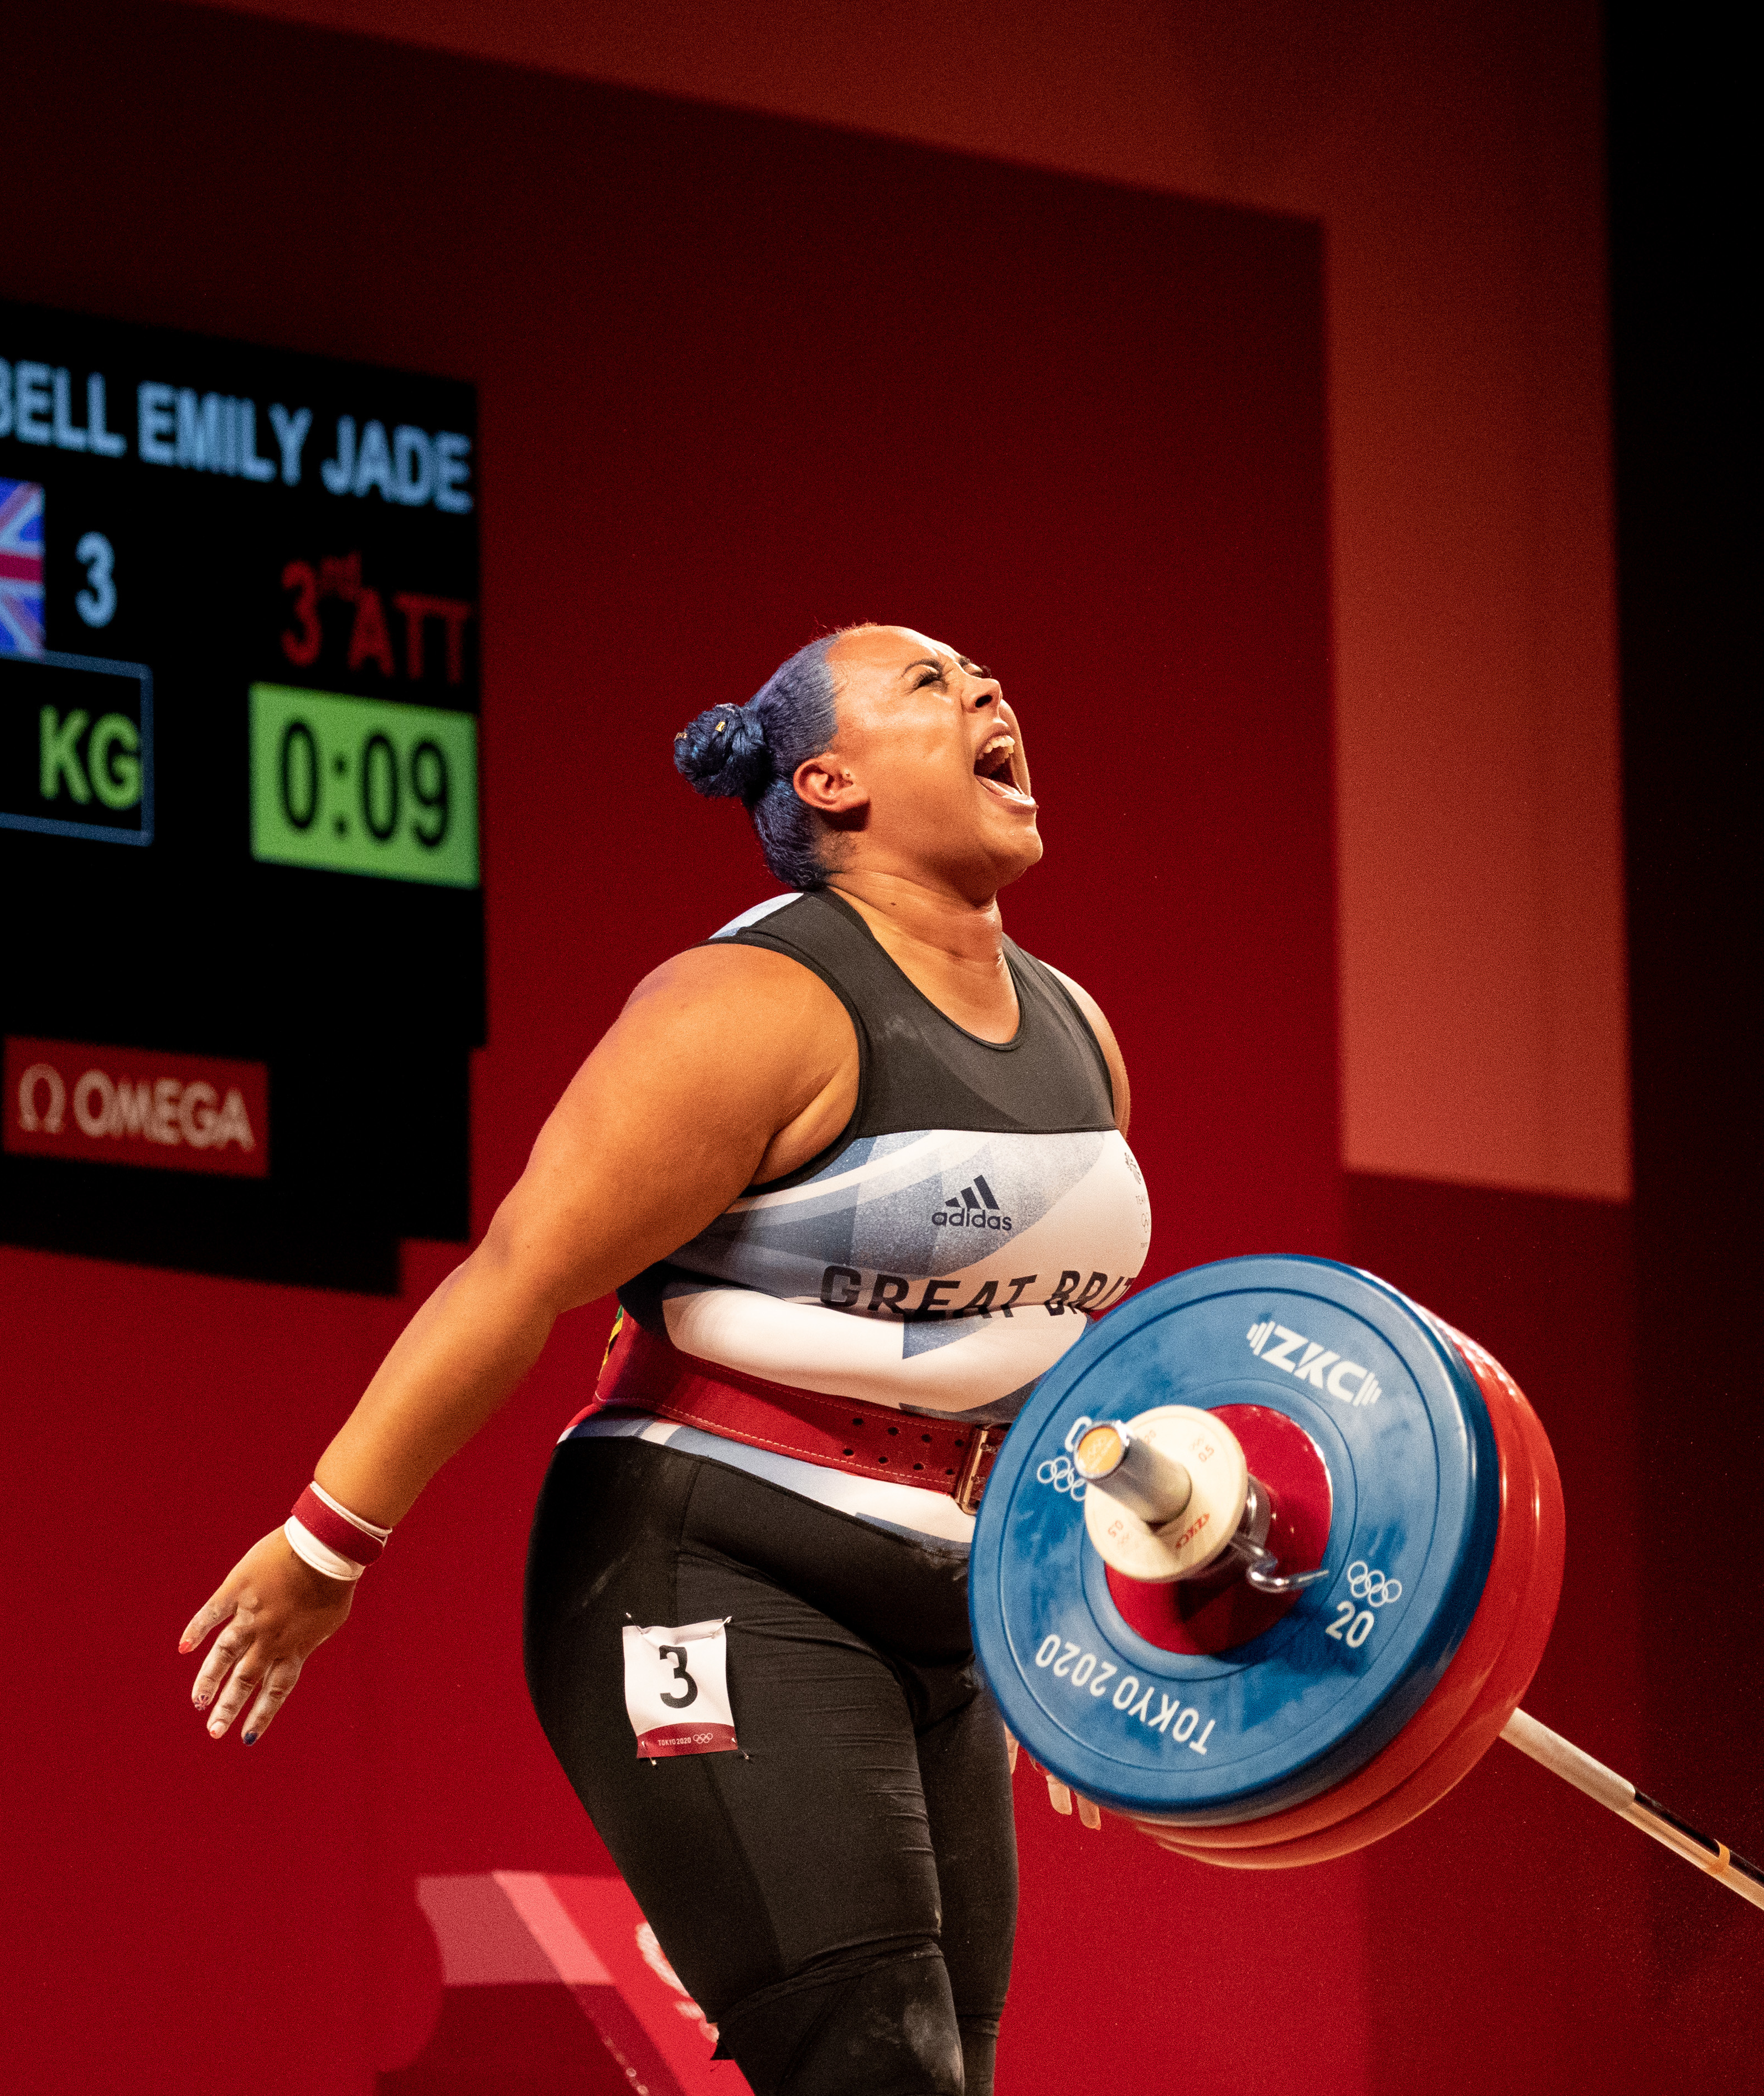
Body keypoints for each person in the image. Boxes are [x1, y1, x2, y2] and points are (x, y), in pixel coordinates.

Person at [178, 624, 1148, 2096]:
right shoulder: (750, 1006)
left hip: (947, 1602)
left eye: (986, 677)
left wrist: (1061, 1611)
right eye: (932, 686)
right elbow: (521, 1270)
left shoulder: (1078, 1030)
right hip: (715, 1563)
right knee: (874, 2071)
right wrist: (327, 1542)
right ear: (827, 780)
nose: (990, 693)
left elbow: (1028, 1359)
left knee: (945, 2073)